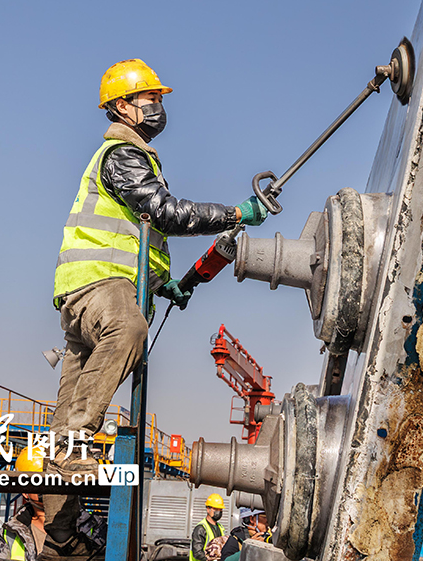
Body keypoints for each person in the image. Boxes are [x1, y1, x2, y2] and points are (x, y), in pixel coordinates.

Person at [41, 59, 268, 559]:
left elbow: (138, 236)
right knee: (128, 329)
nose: (159, 108)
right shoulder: (122, 154)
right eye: (151, 100)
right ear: (123, 106)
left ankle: (59, 542)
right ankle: (78, 435)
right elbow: (164, 212)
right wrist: (234, 213)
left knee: (62, 433)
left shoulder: (131, 157)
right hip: (102, 286)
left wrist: (165, 283)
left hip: (84, 290)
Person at [191, 494, 227, 561]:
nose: (218, 512)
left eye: (220, 509)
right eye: (215, 509)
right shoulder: (201, 528)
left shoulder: (220, 527)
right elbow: (197, 553)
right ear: (208, 509)